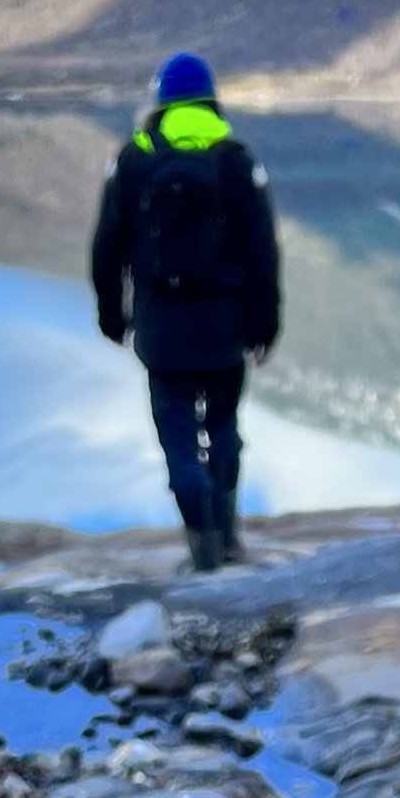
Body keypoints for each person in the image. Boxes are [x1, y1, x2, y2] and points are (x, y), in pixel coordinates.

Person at [90, 50, 281, 571]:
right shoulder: (236, 158)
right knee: (223, 429)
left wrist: (113, 317)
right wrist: (265, 325)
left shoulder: (134, 158)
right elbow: (263, 252)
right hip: (226, 328)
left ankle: (202, 552)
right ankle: (230, 540)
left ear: (160, 101)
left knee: (177, 440)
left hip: (161, 330)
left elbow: (107, 248)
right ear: (210, 99)